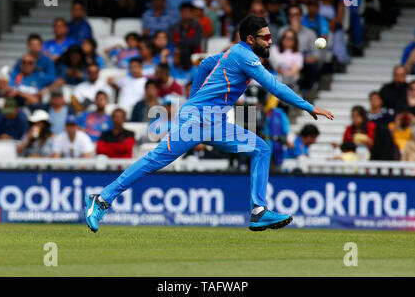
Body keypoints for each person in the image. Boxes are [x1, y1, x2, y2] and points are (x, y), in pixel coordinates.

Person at [84, 15, 334, 233]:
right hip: (197, 119)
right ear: (250, 39)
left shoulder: (233, 52)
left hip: (214, 122)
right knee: (153, 162)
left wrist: (194, 97)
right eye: (265, 36)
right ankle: (102, 199)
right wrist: (309, 107)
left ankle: (258, 211)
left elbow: (204, 64)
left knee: (261, 148)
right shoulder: (244, 56)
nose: (270, 40)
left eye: (270, 35)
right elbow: (274, 86)